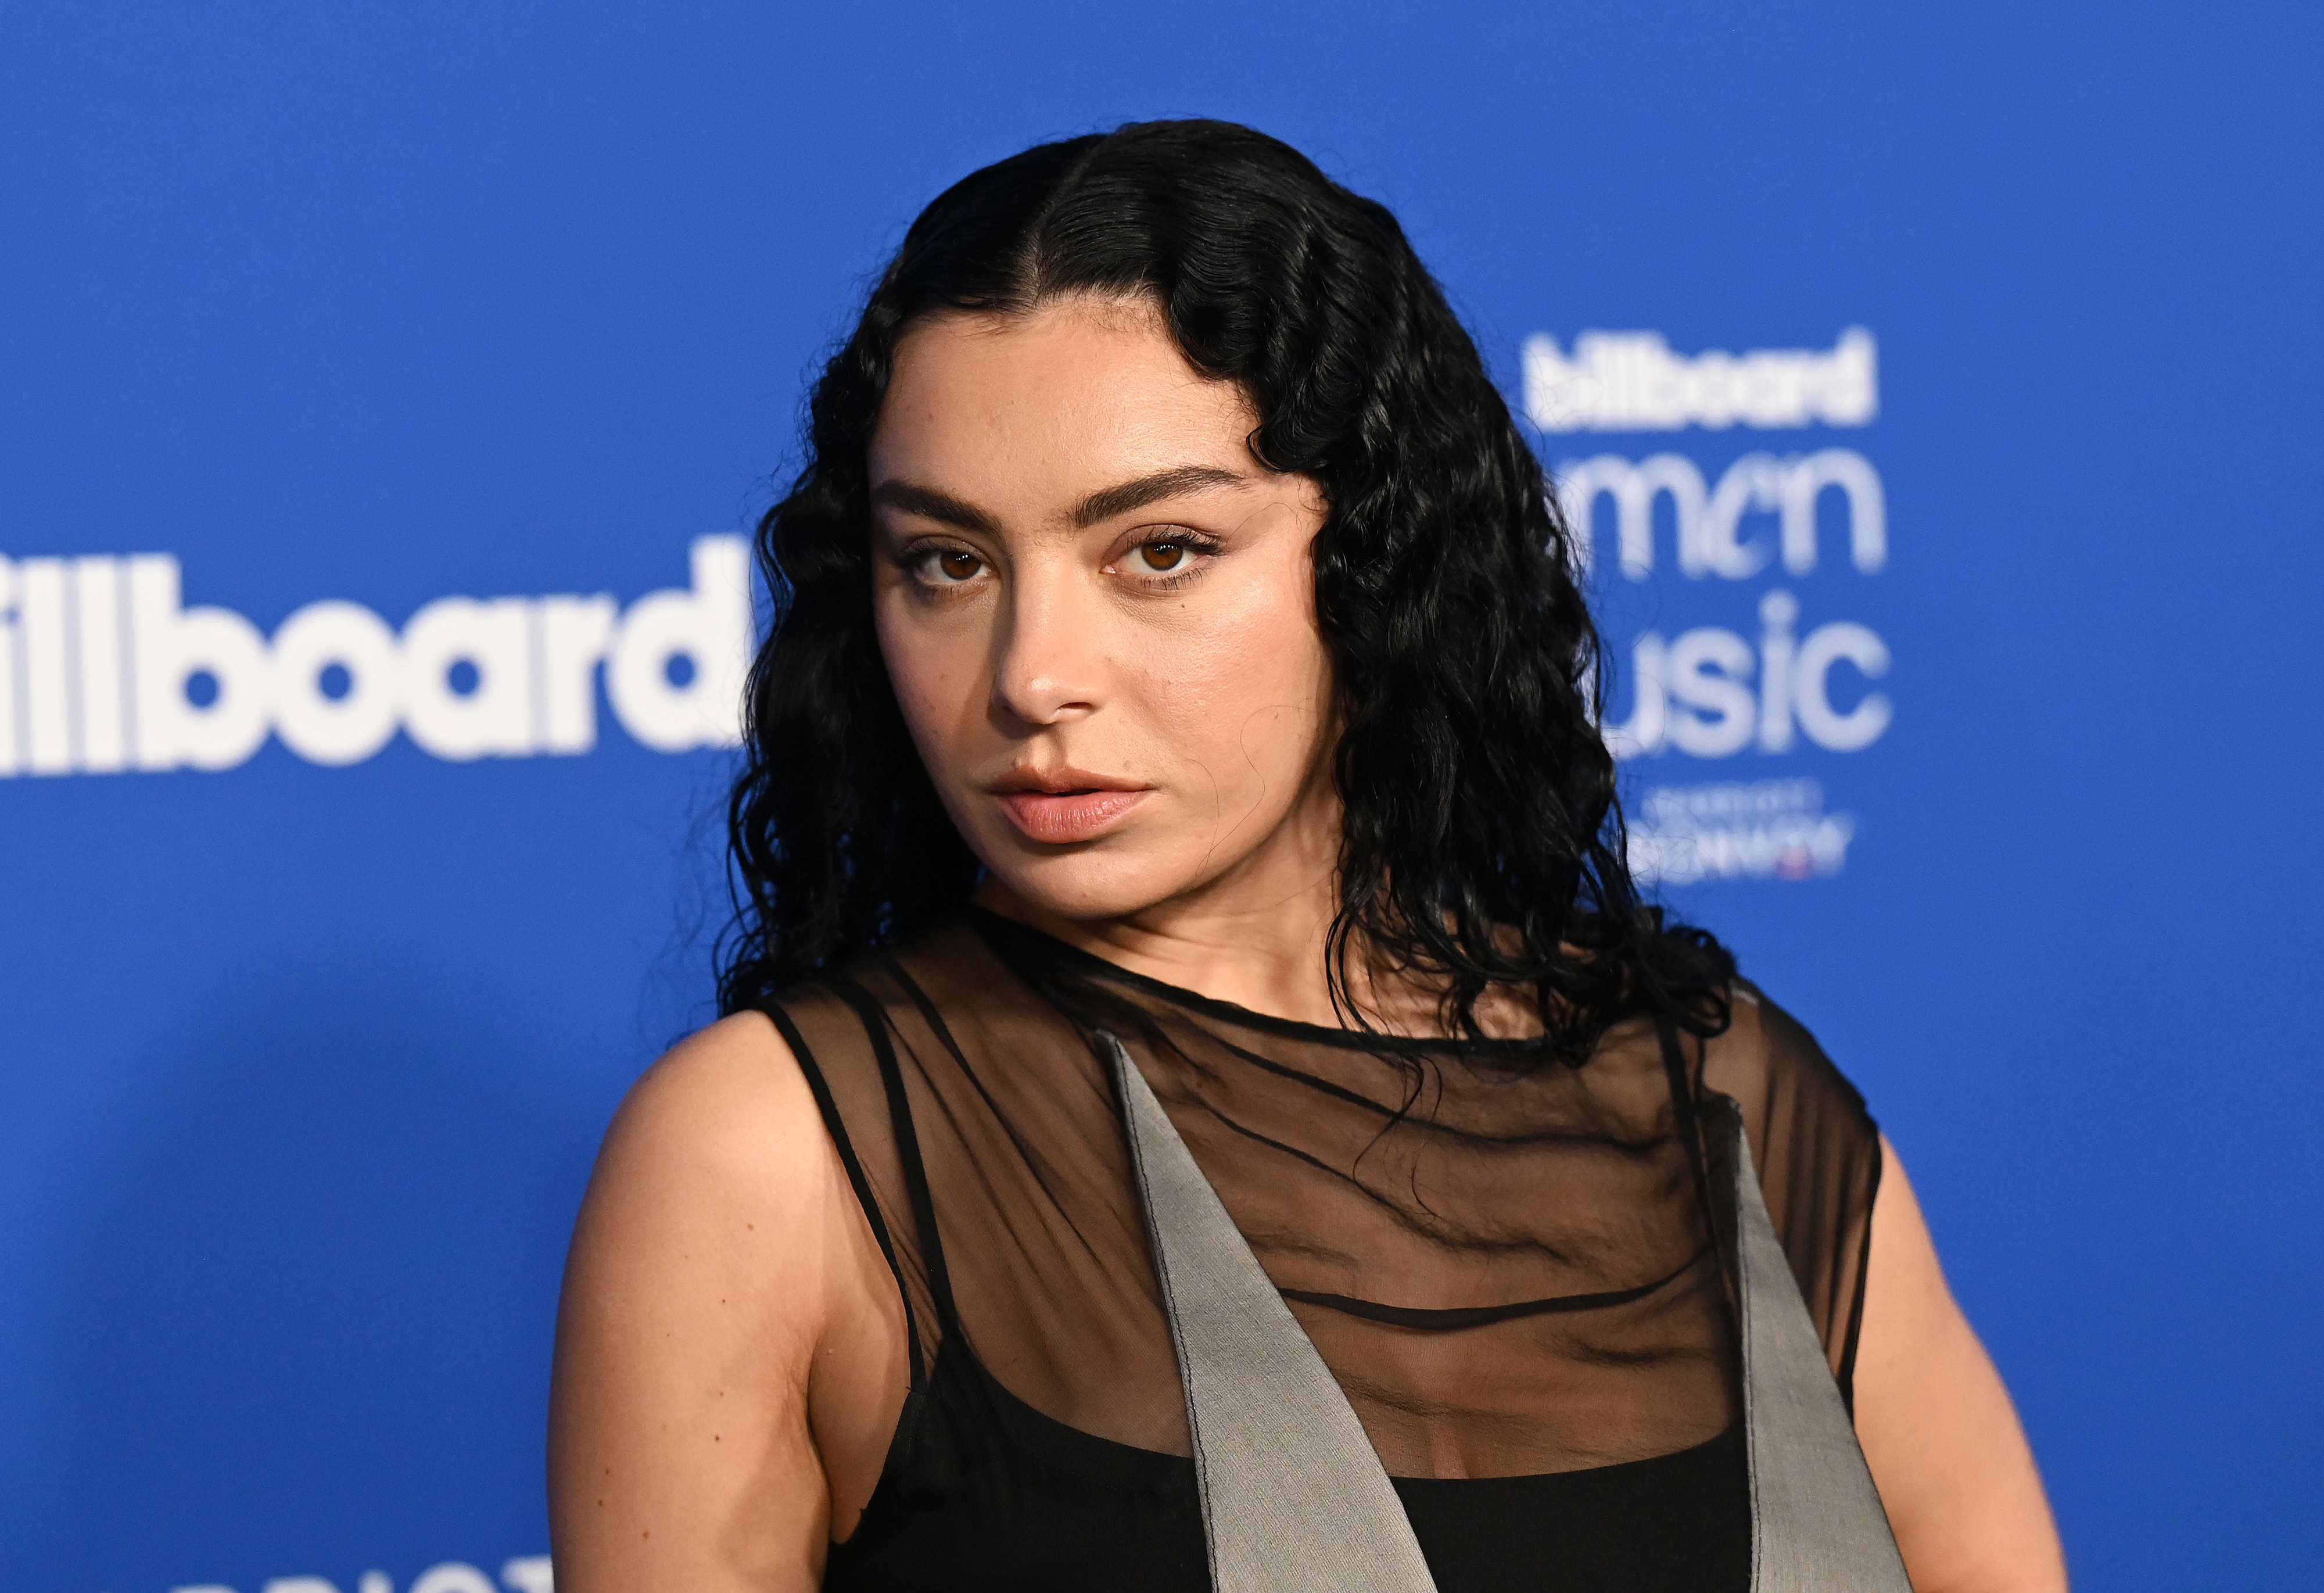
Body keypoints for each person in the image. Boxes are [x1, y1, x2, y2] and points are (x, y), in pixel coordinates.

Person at [547, 120, 2067, 1592]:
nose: (1029, 675)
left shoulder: (1732, 1100)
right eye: (947, 562)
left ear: (1375, 567)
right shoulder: (772, 1158)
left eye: (1160, 552)